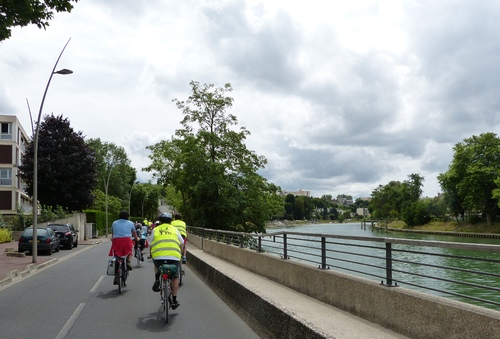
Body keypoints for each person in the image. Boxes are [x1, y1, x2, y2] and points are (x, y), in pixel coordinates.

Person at [150, 212, 183, 309]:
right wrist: (180, 254)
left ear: (160, 221)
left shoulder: (155, 229)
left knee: (156, 265)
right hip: (173, 257)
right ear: (171, 221)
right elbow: (181, 243)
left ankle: (157, 279)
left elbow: (151, 243)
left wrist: (151, 254)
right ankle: (174, 300)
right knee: (175, 276)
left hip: (158, 258)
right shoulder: (175, 230)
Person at [108, 211, 139, 284]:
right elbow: (134, 234)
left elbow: (113, 233)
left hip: (116, 241)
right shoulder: (131, 223)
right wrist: (137, 238)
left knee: (116, 257)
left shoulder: (114, 223)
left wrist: (113, 239)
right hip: (126, 240)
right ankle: (128, 261)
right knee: (129, 251)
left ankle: (116, 276)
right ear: (127, 217)